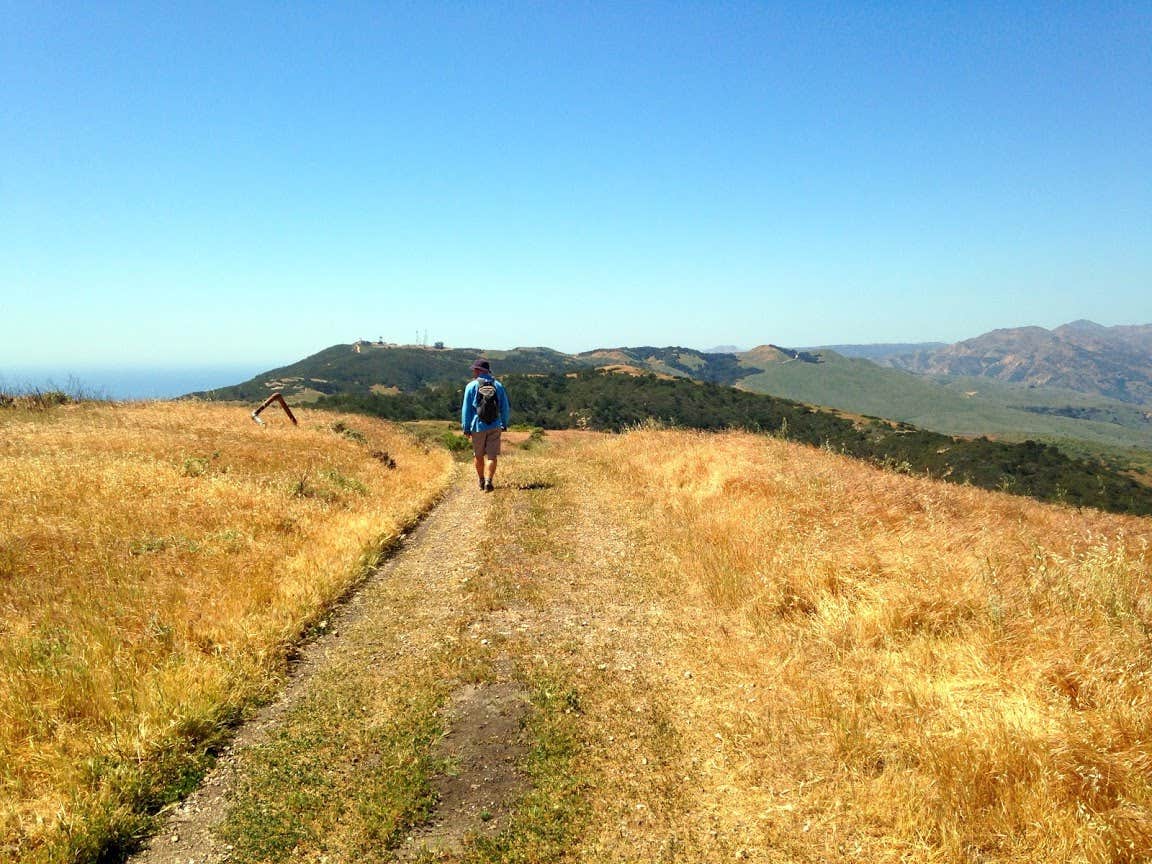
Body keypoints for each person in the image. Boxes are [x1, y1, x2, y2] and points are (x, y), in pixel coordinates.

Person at [461, 358, 510, 492]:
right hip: (494, 424)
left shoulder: (471, 386)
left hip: (477, 426)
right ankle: (489, 481)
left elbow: (466, 409)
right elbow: (505, 407)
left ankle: (481, 480)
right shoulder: (498, 386)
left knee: (478, 455)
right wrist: (504, 423)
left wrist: (466, 427)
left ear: (478, 371)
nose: (473, 372)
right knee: (492, 456)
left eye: (474, 370)